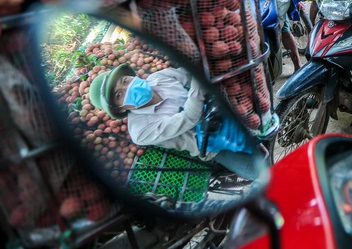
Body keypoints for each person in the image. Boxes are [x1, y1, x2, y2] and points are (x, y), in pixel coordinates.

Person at [89, 63, 259, 182]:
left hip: (220, 110)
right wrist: (199, 79)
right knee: (260, 173)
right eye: (119, 95)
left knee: (262, 121)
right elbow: (190, 117)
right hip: (214, 145)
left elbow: (189, 75)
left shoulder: (159, 77)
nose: (127, 88)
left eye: (125, 81)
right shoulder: (140, 131)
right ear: (119, 109)